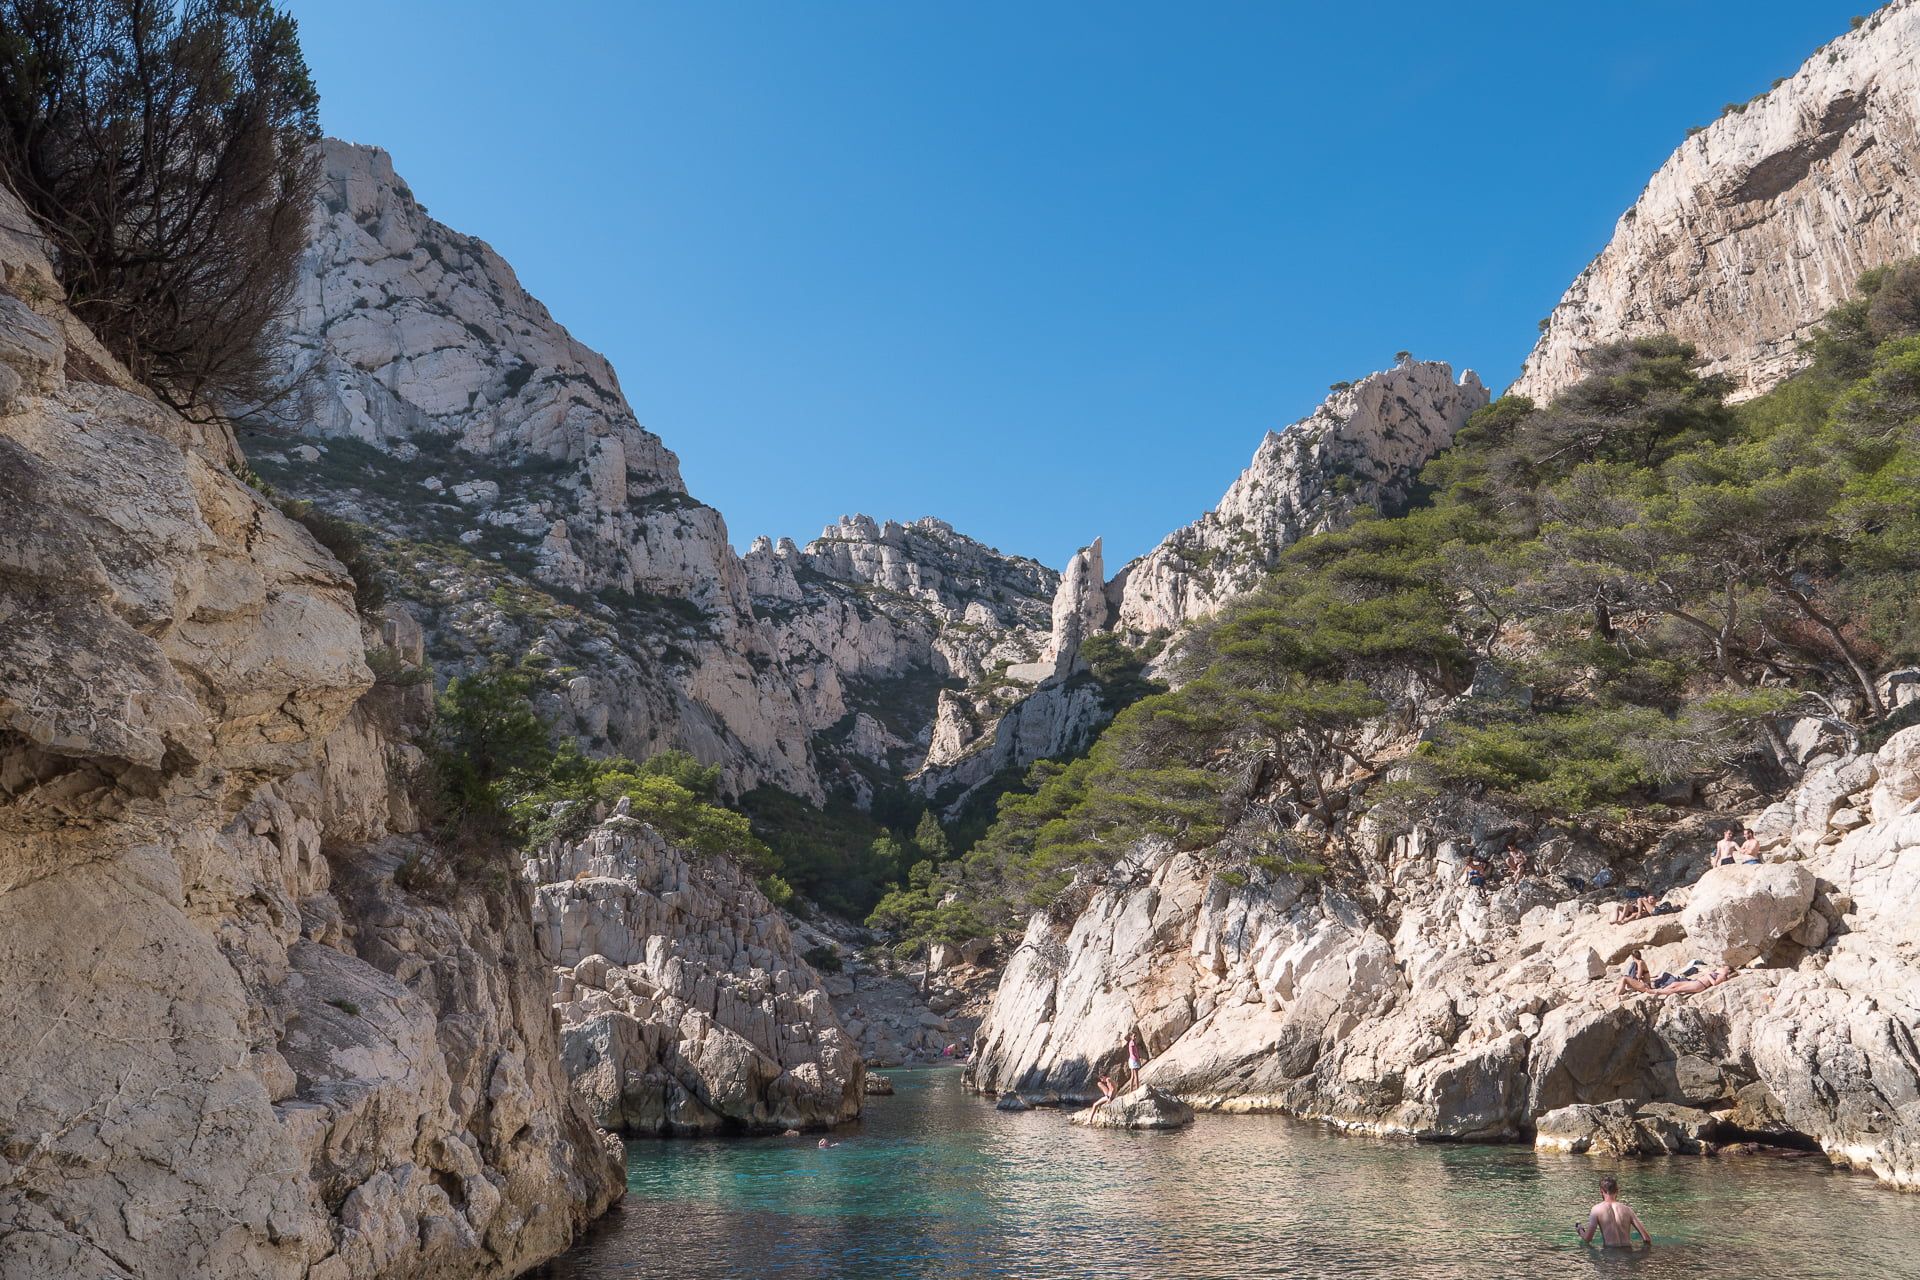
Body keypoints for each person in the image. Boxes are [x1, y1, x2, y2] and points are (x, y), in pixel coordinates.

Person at [1577, 1175, 1650, 1248]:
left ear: (1601, 1191)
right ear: (1617, 1190)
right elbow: (1647, 1238)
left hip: (1610, 1255)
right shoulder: (1628, 1210)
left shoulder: (1596, 1210)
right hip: (1628, 1253)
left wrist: (1580, 1230)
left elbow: (1588, 1239)